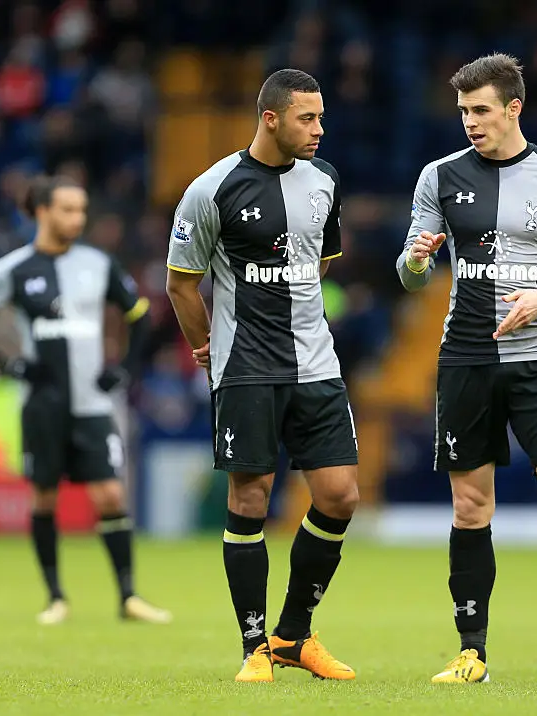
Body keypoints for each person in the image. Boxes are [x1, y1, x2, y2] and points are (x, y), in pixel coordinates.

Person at [396, 53, 537, 685]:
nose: (469, 121)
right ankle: (472, 653)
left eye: (481, 110)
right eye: (463, 111)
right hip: (464, 359)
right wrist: (416, 260)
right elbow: (409, 279)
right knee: (469, 508)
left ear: (514, 108)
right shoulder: (437, 178)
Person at [165, 69, 359, 683]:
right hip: (245, 368)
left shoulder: (324, 181)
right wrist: (205, 345)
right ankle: (254, 648)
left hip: (316, 363)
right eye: (308, 118)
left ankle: (293, 635)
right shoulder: (210, 188)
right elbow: (181, 282)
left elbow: (318, 263)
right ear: (271, 118)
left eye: (322, 117)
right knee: (250, 499)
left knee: (339, 495)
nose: (319, 130)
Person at [0, 174, 171, 626]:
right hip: (43, 405)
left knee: (111, 495)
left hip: (92, 404)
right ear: (42, 212)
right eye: (68, 210)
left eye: (81, 210)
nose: (77, 219)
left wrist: (126, 367)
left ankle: (128, 596)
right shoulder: (13, 270)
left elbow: (138, 315)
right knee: (44, 498)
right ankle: (55, 597)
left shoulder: (99, 264)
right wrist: (6, 363)